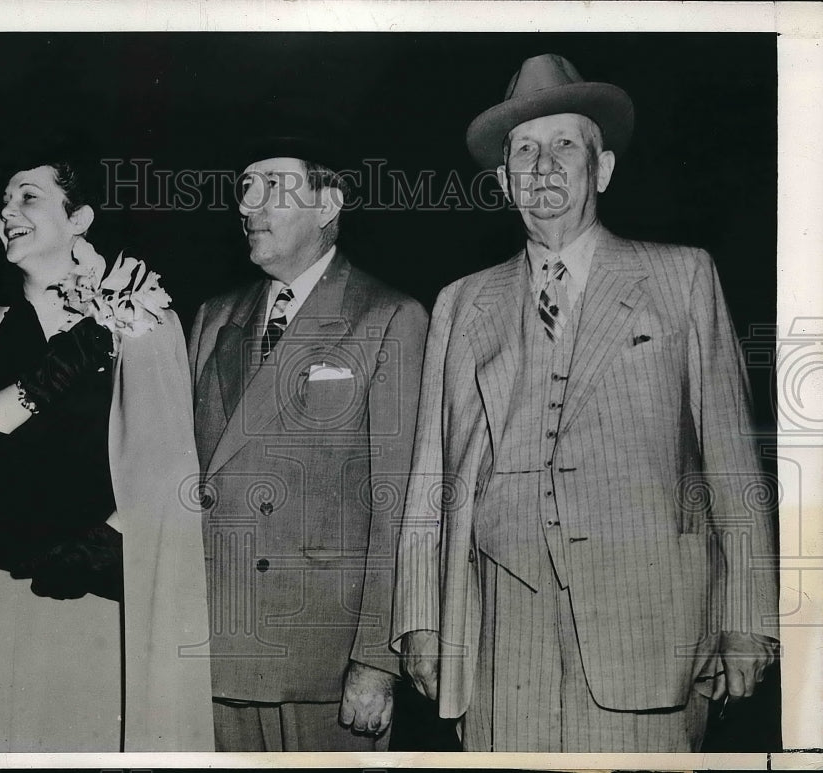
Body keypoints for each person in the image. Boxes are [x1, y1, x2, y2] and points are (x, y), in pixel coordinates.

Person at [392, 53, 779, 751]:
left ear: (600, 168)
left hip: (649, 629)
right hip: (499, 632)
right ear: (504, 179)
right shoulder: (462, 302)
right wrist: (421, 617)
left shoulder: (681, 277)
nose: (543, 166)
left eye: (564, 144)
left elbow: (732, 461)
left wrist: (747, 618)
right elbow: (430, 477)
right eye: (524, 151)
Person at [0, 152, 213, 752]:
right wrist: (42, 383)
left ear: (80, 219)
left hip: (89, 593)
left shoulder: (143, 320)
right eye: (2, 206)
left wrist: (107, 541)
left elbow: (169, 465)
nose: (8, 214)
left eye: (28, 197)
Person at [188, 138, 428, 751]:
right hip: (215, 643)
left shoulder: (389, 317)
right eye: (244, 188)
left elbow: (399, 503)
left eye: (271, 186)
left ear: (329, 205)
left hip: (323, 660)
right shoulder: (214, 316)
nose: (248, 205)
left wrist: (378, 659)